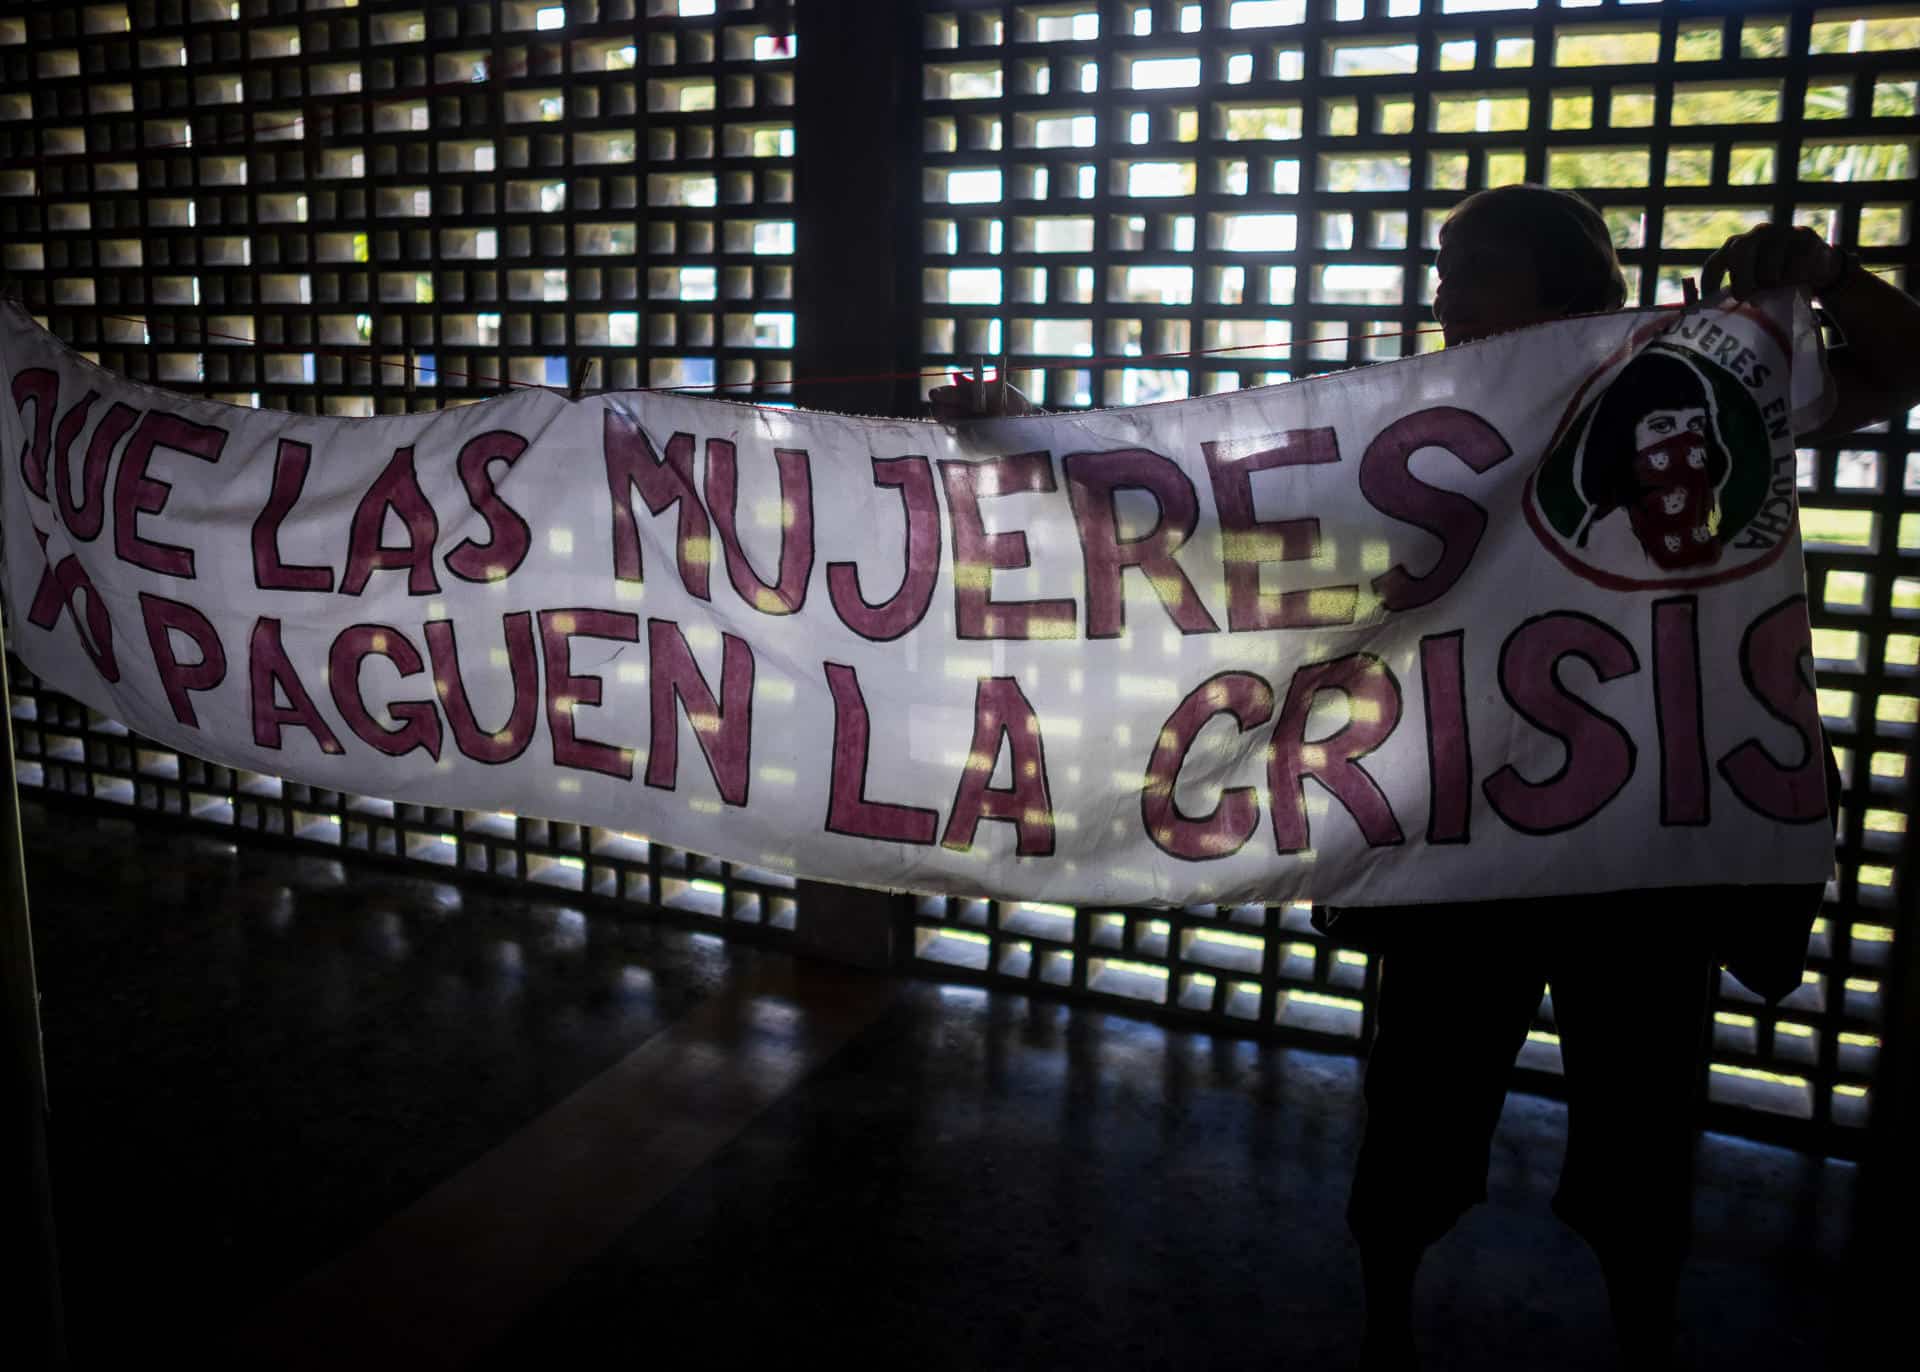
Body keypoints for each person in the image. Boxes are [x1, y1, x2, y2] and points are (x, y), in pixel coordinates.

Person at [928, 185, 1920, 1369]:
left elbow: (1899, 365)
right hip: (1472, 840)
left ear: (1559, 288)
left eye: (1469, 270)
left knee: (1639, 1128)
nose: (1440, 298)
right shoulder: (1424, 427)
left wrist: (1820, 275)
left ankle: (1613, 1321)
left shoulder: (1683, 386)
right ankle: (1393, 1319)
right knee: (1420, 1121)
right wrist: (1026, 431)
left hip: (1635, 853)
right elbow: (1202, 506)